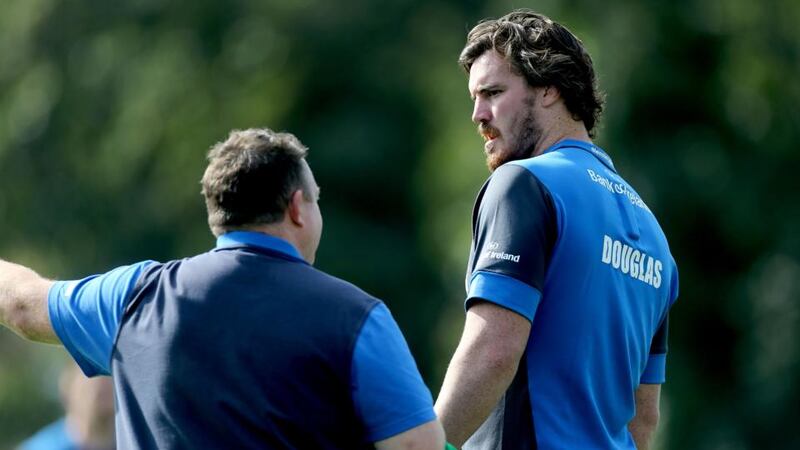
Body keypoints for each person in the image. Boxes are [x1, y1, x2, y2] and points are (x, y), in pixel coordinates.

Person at [0, 128, 445, 449]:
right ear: (297, 208)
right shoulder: (358, 317)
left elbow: (20, 304)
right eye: (316, 198)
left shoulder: (133, 297)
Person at [433, 10, 679, 449]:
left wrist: (423, 445)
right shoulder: (654, 235)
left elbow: (492, 351)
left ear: (550, 88)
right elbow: (643, 417)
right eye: (474, 98)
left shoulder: (523, 184)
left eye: (492, 92)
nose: (477, 114)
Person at [17, 360, 115, 450]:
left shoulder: (125, 442)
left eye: (107, 392)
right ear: (68, 390)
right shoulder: (43, 447)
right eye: (88, 390)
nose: (102, 381)